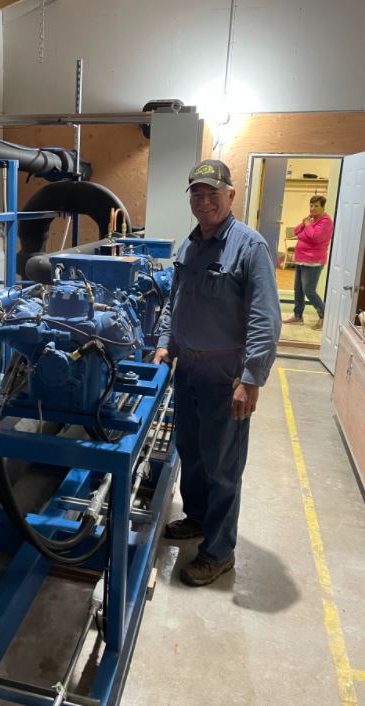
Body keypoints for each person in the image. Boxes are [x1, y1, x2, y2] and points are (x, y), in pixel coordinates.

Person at [153, 159, 281, 587]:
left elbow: (265, 319)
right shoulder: (189, 246)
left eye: (213, 193)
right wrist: (164, 343)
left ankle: (219, 552)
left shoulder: (249, 247)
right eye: (197, 193)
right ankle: (198, 518)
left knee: (223, 466)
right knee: (191, 452)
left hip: (225, 377)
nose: (204, 201)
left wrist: (252, 379)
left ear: (231, 196)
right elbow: (175, 303)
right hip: (187, 370)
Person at [283, 195, 334, 331]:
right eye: (311, 205)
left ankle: (325, 316)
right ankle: (298, 316)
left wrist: (307, 227)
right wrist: (304, 223)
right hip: (301, 259)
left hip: (313, 261)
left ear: (323, 207)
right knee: (298, 289)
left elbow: (316, 237)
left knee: (309, 290)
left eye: (316, 206)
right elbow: (296, 232)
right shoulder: (311, 219)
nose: (313, 208)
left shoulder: (326, 221)